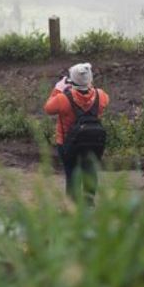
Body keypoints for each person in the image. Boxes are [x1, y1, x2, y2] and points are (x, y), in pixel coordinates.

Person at [44, 63, 109, 204]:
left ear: (72, 81)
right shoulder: (101, 95)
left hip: (68, 143)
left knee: (72, 174)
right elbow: (95, 97)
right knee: (90, 171)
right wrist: (86, 84)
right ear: (90, 79)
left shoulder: (63, 98)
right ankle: (89, 203)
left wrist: (58, 89)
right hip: (93, 141)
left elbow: (48, 108)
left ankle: (72, 207)